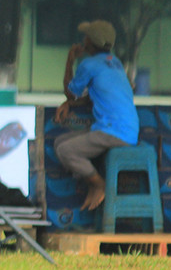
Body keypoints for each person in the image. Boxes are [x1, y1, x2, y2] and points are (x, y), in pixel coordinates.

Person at [54, 20, 139, 210]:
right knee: (60, 142)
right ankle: (92, 182)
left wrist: (70, 59)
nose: (83, 40)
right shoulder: (115, 62)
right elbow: (92, 98)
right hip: (124, 129)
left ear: (90, 42)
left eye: (86, 37)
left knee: (65, 151)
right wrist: (70, 104)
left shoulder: (89, 64)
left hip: (114, 131)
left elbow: (70, 92)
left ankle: (99, 184)